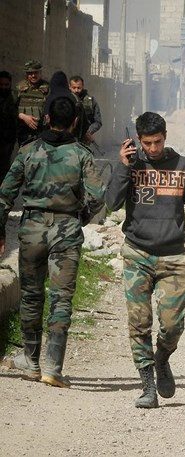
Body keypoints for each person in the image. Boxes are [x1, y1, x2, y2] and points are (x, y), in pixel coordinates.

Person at [105, 112, 185, 409]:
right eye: (147, 143)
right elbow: (111, 203)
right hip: (137, 255)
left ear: (165, 136)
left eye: (157, 142)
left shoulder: (184, 167)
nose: (153, 148)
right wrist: (123, 167)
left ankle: (162, 358)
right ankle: (147, 386)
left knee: (172, 325)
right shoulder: (132, 165)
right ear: (138, 140)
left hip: (173, 258)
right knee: (139, 322)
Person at [0, 96, 105, 387]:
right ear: (75, 122)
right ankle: (53, 367)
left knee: (31, 295)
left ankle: (31, 361)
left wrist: (1, 231)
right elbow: (98, 196)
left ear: (47, 119)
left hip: (32, 230)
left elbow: (5, 194)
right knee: (61, 298)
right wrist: (80, 217)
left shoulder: (28, 151)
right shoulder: (82, 155)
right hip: (66, 230)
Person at [44, 71, 87, 142]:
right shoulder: (75, 98)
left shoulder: (49, 99)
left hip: (50, 140)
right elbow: (84, 123)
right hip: (70, 140)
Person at [16, 60, 49, 146]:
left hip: (42, 131)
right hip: (24, 132)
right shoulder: (19, 88)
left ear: (40, 73)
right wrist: (23, 116)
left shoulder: (47, 88)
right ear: (26, 74)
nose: (33, 75)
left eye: (36, 72)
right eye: (30, 73)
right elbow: (11, 108)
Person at [69, 76, 102, 144]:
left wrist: (88, 131)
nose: (76, 90)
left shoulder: (91, 101)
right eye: (74, 88)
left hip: (83, 140)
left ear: (83, 86)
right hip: (68, 138)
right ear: (69, 87)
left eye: (79, 88)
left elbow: (98, 122)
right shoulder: (65, 100)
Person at [0, 70, 17, 182]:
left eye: (6, 85)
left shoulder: (14, 96)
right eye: (1, 85)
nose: (3, 87)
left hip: (8, 138)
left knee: (4, 164)